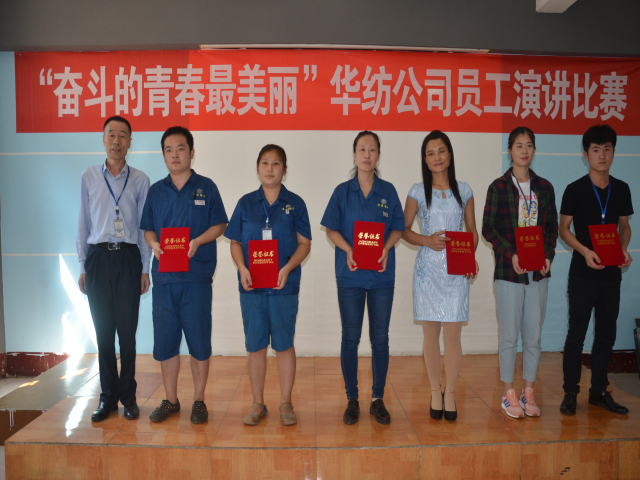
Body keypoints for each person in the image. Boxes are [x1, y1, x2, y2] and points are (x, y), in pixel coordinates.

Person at [141, 126, 228, 424]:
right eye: (169, 149)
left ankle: (199, 401)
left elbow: (220, 225)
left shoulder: (206, 187)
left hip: (196, 278)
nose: (175, 154)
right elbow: (148, 228)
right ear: (163, 155)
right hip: (165, 280)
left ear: (191, 152)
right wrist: (153, 243)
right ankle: (171, 400)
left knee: (199, 342)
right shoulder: (156, 191)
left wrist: (198, 241)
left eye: (180, 148)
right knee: (166, 343)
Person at [320, 131, 405, 425]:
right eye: (362, 149)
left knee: (380, 339)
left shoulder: (388, 191)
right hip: (351, 276)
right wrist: (348, 249)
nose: (367, 155)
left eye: (372, 149)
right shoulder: (342, 192)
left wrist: (387, 247)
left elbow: (398, 227)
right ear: (354, 154)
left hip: (381, 276)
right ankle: (352, 399)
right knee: (351, 338)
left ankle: (377, 399)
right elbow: (331, 229)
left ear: (378, 155)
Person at [225, 145, 311, 426]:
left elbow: (304, 244)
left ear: (284, 170)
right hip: (252, 289)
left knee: (284, 345)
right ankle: (258, 403)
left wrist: (287, 267)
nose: (270, 168)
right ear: (257, 168)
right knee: (255, 346)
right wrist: (242, 268)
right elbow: (235, 242)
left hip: (284, 286)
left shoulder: (295, 203)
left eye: (276, 163)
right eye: (265, 163)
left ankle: (286, 403)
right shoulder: (245, 203)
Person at [76, 116, 151, 422]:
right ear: (103, 139)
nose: (117, 141)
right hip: (97, 258)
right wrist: (82, 266)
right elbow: (83, 223)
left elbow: (144, 229)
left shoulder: (141, 180)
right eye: (111, 135)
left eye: (122, 135)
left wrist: (145, 269)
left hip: (128, 259)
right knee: (103, 333)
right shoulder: (89, 176)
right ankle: (107, 397)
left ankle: (128, 397)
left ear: (130, 142)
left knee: (127, 334)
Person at [402, 131, 478, 422]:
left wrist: (469, 258)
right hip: (428, 271)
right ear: (425, 159)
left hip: (457, 271)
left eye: (441, 151)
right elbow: (403, 229)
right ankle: (435, 390)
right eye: (430, 153)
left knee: (454, 335)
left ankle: (451, 392)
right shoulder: (417, 191)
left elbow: (472, 231)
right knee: (431, 334)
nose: (437, 157)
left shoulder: (465, 190)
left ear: (450, 154)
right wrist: (426, 240)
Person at [482, 126, 558, 418]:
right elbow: (488, 228)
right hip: (509, 273)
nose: (524, 151)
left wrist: (548, 255)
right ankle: (508, 392)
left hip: (538, 273)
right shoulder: (499, 187)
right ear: (510, 150)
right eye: (518, 146)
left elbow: (551, 229)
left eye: (529, 145)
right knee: (509, 337)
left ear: (534, 149)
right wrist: (510, 254)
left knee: (534, 336)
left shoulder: (545, 188)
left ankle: (528, 391)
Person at [558, 124, 633, 416]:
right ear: (586, 154)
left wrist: (623, 248)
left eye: (607, 149)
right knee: (576, 334)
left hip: (611, 274)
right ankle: (570, 392)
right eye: (596, 149)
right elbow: (564, 230)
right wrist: (585, 251)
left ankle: (599, 391)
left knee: (606, 334)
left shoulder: (622, 188)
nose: (602, 155)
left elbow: (624, 226)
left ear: (614, 152)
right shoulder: (575, 189)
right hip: (582, 273)